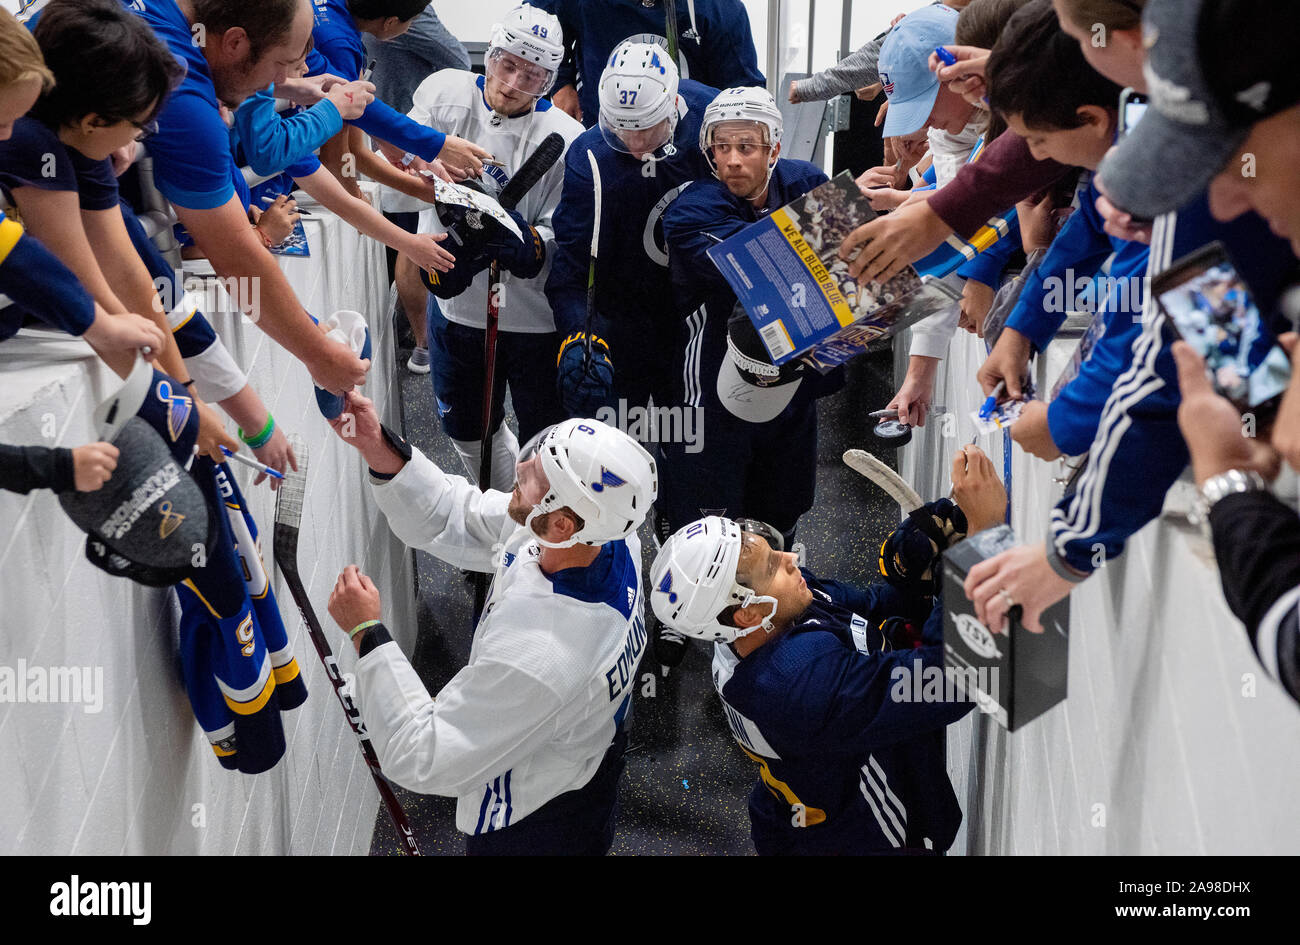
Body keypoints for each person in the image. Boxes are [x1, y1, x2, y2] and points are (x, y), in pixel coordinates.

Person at [964, 0, 1299, 634]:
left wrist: (1070, 545)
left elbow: (1176, 355)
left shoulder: (1206, 201)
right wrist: (1023, 326)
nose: (1226, 196)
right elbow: (1104, 222)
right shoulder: (1183, 130)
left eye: (1223, 160)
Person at [326, 394, 657, 854]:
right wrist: (376, 444)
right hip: (580, 762)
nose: (519, 470)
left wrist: (367, 635)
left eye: (536, 476)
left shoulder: (543, 657)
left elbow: (420, 753)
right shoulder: (606, 538)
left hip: (537, 824)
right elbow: (455, 517)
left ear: (561, 524)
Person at [648, 446, 1006, 854]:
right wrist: (983, 537)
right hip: (860, 837)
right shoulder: (795, 683)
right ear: (745, 615)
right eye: (771, 566)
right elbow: (953, 680)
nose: (790, 558)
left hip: (814, 805)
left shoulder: (772, 611)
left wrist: (917, 569)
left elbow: (865, 610)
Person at [654, 86, 841, 664]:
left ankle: (768, 604)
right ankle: (679, 609)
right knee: (704, 497)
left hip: (796, 379)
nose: (733, 160)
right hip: (713, 376)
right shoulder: (690, 210)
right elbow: (767, 271)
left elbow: (844, 282)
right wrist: (843, 231)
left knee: (784, 497)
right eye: (722, 147)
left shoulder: (806, 180)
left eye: (747, 146)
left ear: (773, 147)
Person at [114, 0, 368, 396]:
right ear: (234, 42)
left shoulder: (169, 25)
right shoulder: (188, 104)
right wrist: (319, 355)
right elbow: (235, 259)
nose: (280, 81)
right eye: (281, 64)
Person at [403, 4, 581, 490]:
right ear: (491, 56)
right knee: (465, 429)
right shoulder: (443, 95)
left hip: (532, 317)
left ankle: (535, 533)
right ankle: (503, 516)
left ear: (548, 81)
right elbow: (395, 168)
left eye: (533, 75)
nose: (513, 83)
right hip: (456, 307)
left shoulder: (568, 140)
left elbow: (567, 229)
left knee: (545, 434)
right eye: (508, 66)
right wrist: (432, 183)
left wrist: (534, 246)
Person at [545, 40, 717, 422]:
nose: (637, 148)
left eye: (648, 131)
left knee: (693, 445)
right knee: (617, 451)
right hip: (626, 313)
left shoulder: (716, 119)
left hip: (702, 315)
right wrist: (579, 333)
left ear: (673, 107)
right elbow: (571, 267)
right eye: (622, 131)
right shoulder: (588, 156)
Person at [534, 0, 763, 127]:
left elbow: (742, 93)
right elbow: (535, 27)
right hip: (602, 133)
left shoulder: (718, 8)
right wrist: (561, 83)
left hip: (688, 148)